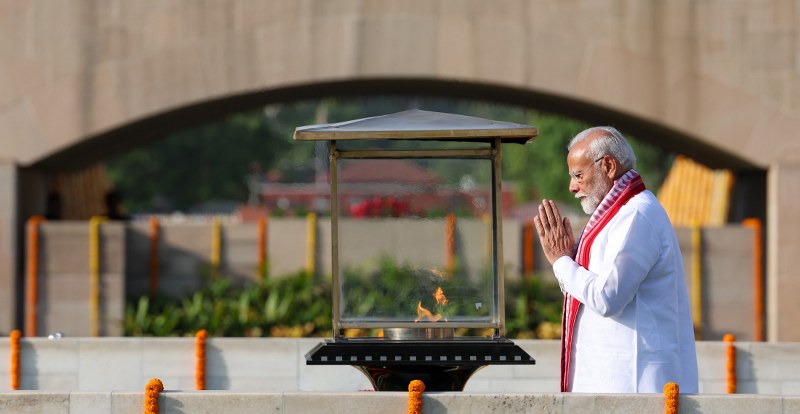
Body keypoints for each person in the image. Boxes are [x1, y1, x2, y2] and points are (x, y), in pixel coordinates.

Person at [533, 126, 698, 393]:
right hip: (613, 383)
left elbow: (608, 297)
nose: (572, 187)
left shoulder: (637, 215)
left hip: (635, 385)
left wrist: (562, 262)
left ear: (608, 166)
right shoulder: (618, 214)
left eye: (578, 175)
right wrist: (572, 259)